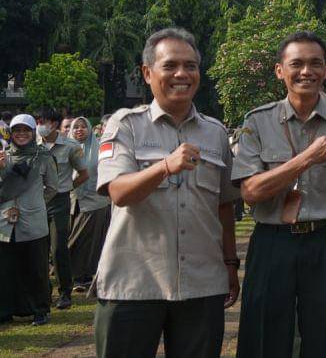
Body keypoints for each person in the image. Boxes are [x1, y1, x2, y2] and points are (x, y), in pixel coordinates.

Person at [93, 28, 241, 357]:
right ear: (148, 73)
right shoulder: (125, 125)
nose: (182, 74)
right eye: (170, 65)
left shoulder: (215, 133)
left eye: (191, 66)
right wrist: (164, 166)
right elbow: (118, 191)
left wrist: (230, 265)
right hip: (133, 282)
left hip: (201, 284)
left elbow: (224, 207)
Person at [233, 31, 326, 358]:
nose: (306, 72)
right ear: (279, 70)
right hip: (273, 241)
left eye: (315, 64)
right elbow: (251, 191)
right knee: (264, 334)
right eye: (296, 64)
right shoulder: (258, 121)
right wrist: (306, 159)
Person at [0, 114, 58, 326]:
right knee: (5, 268)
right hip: (4, 223)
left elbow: (52, 187)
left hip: (33, 222)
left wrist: (35, 204)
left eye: (26, 130)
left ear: (33, 133)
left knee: (36, 268)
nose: (21, 134)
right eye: (17, 131)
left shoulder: (43, 157)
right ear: (11, 134)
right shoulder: (3, 156)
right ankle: (6, 309)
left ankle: (40, 309)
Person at [35, 107, 88, 310]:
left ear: (55, 124)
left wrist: (66, 189)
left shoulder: (70, 146)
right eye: (38, 121)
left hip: (60, 200)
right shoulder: (34, 143)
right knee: (40, 248)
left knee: (58, 248)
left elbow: (83, 174)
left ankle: (65, 291)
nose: (40, 125)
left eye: (43, 121)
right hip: (36, 201)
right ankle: (43, 291)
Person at [67, 116, 110, 292]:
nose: (79, 130)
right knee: (72, 239)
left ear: (90, 129)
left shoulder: (100, 148)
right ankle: (71, 274)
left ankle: (82, 277)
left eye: (83, 127)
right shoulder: (65, 148)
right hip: (70, 200)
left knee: (88, 242)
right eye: (75, 127)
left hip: (95, 201)